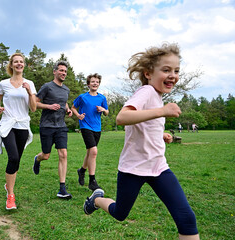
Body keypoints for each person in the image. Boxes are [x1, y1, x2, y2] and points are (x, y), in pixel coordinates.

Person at [83, 43, 200, 239]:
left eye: (176, 70)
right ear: (148, 73)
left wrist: (161, 134)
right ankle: (96, 200)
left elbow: (144, 124)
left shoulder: (157, 96)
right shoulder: (146, 92)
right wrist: (163, 111)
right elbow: (122, 117)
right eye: (166, 70)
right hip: (133, 169)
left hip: (158, 167)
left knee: (187, 219)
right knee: (120, 213)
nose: (173, 75)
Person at [0, 53, 37, 210]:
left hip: (23, 125)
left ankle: (8, 186)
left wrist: (30, 92)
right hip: (8, 124)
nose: (19, 64)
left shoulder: (29, 83)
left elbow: (33, 108)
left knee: (16, 161)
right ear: (11, 65)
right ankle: (10, 195)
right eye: (16, 62)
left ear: (24, 65)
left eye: (21, 62)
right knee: (13, 157)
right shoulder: (4, 83)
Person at [32, 60, 73, 199]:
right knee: (46, 155)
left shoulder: (66, 89)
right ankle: (37, 159)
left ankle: (62, 188)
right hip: (47, 126)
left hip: (61, 126)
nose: (63, 73)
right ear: (54, 71)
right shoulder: (47, 87)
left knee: (63, 154)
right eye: (61, 70)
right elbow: (35, 103)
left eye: (65, 71)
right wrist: (49, 106)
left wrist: (67, 110)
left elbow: (64, 102)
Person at [71, 73, 109, 191]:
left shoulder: (102, 98)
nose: (95, 83)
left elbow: (107, 112)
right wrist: (78, 115)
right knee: (93, 151)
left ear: (99, 84)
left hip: (97, 128)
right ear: (88, 84)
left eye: (97, 82)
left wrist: (103, 110)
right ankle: (92, 180)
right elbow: (73, 107)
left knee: (90, 152)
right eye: (92, 81)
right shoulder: (82, 97)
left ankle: (81, 170)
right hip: (85, 126)